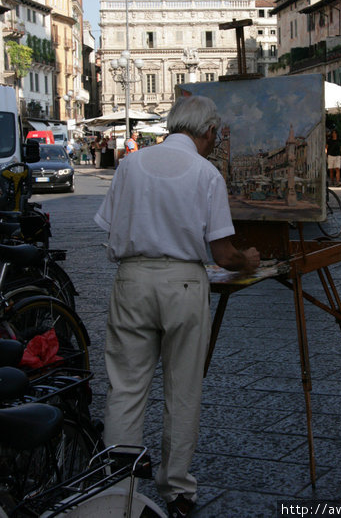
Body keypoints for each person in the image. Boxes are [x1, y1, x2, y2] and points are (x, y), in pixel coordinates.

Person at [94, 95, 260, 517]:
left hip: (132, 280)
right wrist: (249, 261)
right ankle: (177, 491)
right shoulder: (206, 173)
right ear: (207, 132)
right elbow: (222, 254)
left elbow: (108, 225)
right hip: (183, 284)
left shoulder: (131, 164)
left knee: (126, 385)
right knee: (182, 390)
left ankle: (121, 486)